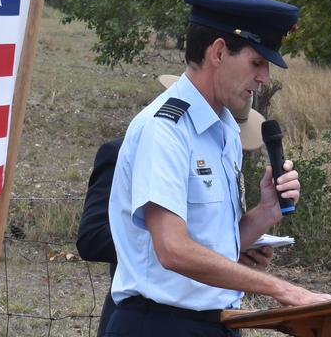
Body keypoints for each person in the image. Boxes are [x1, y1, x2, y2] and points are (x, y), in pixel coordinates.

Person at [104, 0, 331, 337]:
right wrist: (283, 290)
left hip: (217, 323)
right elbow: (173, 250)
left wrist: (266, 212)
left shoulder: (222, 130)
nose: (264, 78)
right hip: (159, 324)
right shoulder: (164, 130)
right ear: (219, 52)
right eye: (257, 62)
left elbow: (215, 246)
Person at [76, 76, 273, 336]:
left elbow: (208, 234)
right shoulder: (139, 144)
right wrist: (165, 241)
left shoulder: (227, 153)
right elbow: (93, 237)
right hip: (154, 313)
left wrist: (231, 250)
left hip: (212, 316)